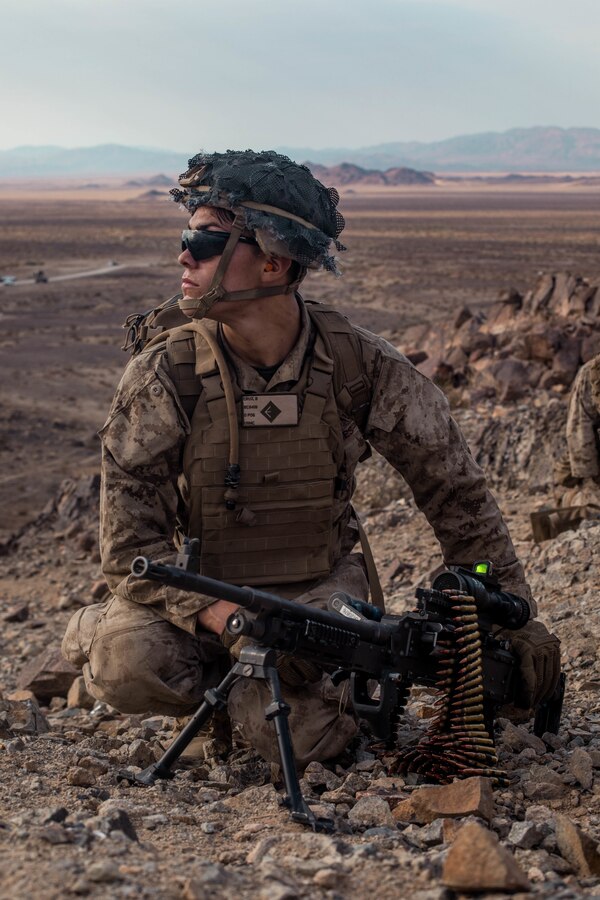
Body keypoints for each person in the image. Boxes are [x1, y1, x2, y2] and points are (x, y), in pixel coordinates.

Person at [62, 150, 560, 767]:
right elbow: (129, 552)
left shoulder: (359, 366)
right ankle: (143, 653)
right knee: (125, 659)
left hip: (316, 598)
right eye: (185, 237)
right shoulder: (165, 375)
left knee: (308, 746)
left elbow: (454, 491)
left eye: (205, 240)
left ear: (273, 262)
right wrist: (223, 617)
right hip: (201, 603)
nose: (184, 255)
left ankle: (264, 695)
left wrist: (508, 613)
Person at [532, 354, 600, 542]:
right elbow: (579, 427)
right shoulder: (592, 372)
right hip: (594, 470)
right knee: (594, 509)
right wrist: (590, 479)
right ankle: (556, 516)